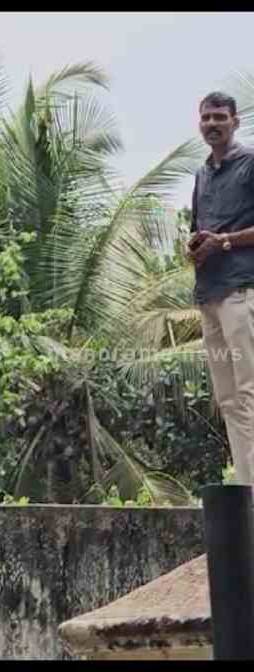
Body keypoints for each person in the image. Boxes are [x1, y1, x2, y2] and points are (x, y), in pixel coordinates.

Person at [187, 90, 254, 484]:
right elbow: (201, 227)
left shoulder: (249, 164)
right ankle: (246, 489)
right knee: (228, 400)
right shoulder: (201, 174)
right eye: (206, 118)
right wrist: (195, 244)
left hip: (241, 291)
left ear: (235, 122)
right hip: (209, 295)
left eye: (219, 117)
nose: (212, 124)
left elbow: (224, 236)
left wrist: (225, 242)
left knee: (249, 393)